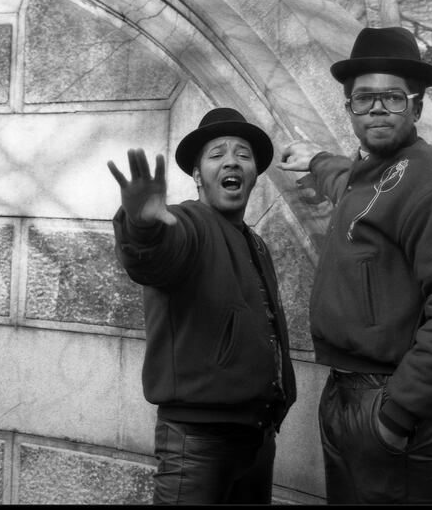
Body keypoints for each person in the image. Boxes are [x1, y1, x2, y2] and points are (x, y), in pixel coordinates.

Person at [279, 26, 432, 504]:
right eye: (364, 99)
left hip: (388, 399)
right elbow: (354, 193)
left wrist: (398, 414)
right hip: (344, 391)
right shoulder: (372, 171)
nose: (376, 107)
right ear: (350, 111)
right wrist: (317, 159)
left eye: (392, 98)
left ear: (417, 107)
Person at [108, 107, 297, 505]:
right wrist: (142, 226)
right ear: (197, 175)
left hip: (258, 437)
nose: (232, 160)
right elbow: (156, 253)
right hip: (197, 443)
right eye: (217, 154)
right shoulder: (187, 222)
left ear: (253, 175)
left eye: (243, 154)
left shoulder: (255, 243)